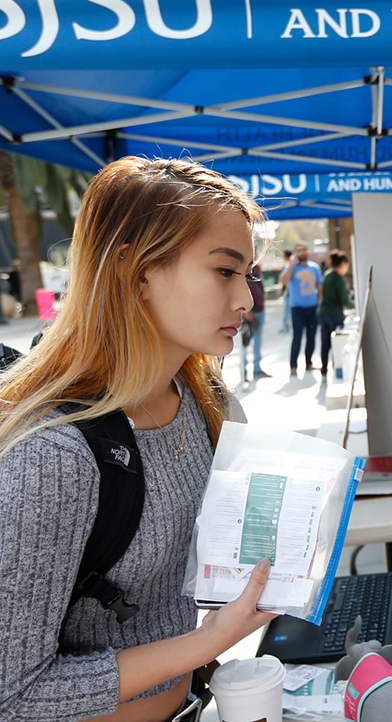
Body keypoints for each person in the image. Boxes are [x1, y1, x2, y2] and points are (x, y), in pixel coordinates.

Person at [0, 156, 277, 722]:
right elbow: (13, 693)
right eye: (225, 271)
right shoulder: (53, 452)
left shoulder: (208, 404)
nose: (247, 299)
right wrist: (207, 643)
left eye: (248, 274)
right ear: (135, 268)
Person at [279, 242, 322, 375]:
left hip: (312, 307)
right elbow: (283, 281)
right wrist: (291, 264)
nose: (301, 253)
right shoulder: (291, 268)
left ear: (307, 251)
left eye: (303, 250)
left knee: (311, 336)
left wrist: (320, 302)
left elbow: (319, 286)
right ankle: (293, 366)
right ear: (295, 253)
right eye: (298, 251)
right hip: (297, 308)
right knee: (297, 337)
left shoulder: (314, 268)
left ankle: (309, 363)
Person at [317, 249, 353, 376]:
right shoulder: (339, 279)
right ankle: (337, 369)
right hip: (335, 314)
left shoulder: (327, 274)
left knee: (325, 343)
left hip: (323, 313)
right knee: (337, 344)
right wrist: (356, 305)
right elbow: (345, 300)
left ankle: (324, 369)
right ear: (342, 264)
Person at [241, 262, 270, 381]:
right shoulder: (243, 267)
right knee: (245, 341)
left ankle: (257, 369)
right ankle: (244, 370)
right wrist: (247, 310)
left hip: (259, 309)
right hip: (249, 311)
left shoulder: (256, 267)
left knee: (257, 341)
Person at [280, 249, 293, 333]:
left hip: (289, 292)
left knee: (288, 311)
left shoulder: (290, 266)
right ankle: (286, 326)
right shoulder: (287, 266)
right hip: (286, 292)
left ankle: (287, 327)